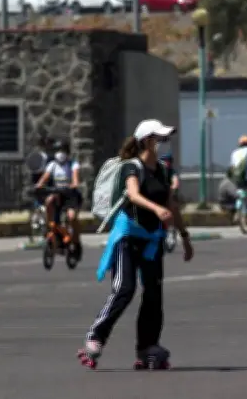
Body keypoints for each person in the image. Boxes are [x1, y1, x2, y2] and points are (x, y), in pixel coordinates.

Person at [78, 119, 194, 370]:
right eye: (159, 138)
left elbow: (172, 205)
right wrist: (156, 208)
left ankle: (147, 347)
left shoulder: (163, 170)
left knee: (154, 295)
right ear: (146, 141)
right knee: (124, 289)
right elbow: (133, 194)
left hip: (152, 240)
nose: (164, 143)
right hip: (128, 237)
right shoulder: (131, 167)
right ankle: (95, 337)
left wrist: (185, 236)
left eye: (165, 138)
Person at [34, 140, 83, 247]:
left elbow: (75, 179)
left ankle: (76, 240)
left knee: (71, 217)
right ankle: (50, 226)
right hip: (57, 193)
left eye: (62, 151)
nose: (60, 153)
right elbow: (44, 178)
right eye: (58, 151)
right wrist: (39, 185)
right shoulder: (52, 165)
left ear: (67, 152)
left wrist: (73, 184)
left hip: (70, 195)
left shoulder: (73, 164)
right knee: (49, 201)